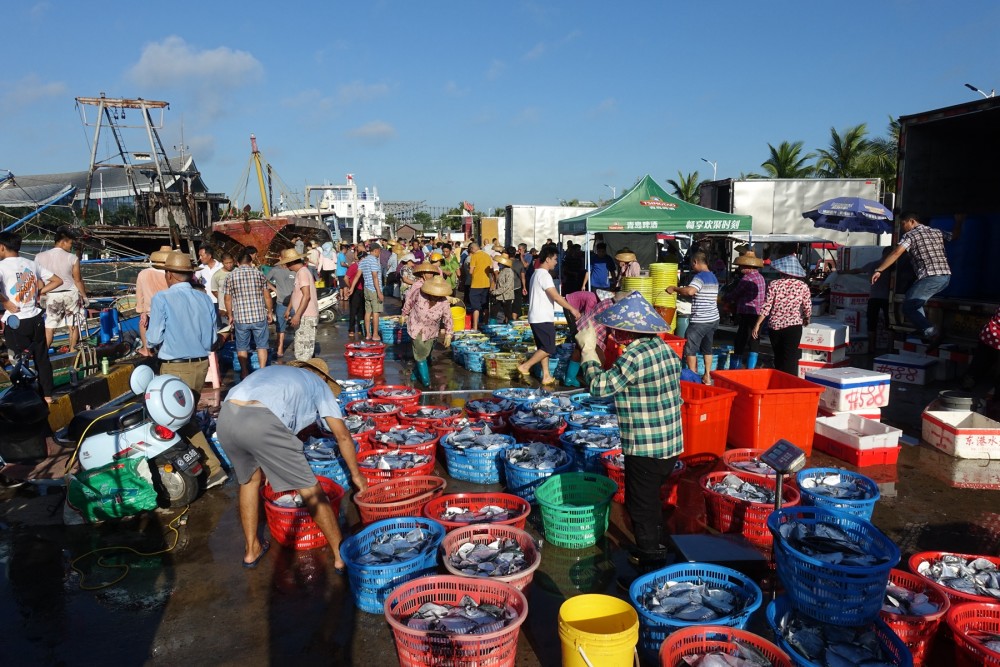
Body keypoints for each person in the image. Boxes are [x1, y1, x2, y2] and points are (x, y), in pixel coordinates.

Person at [217, 357, 367, 570]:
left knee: (249, 481)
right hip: (261, 420)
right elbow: (342, 436)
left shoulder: (275, 373)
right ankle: (340, 556)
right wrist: (356, 475)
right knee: (310, 489)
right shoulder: (318, 385)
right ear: (322, 377)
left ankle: (252, 550)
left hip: (227, 418)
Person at [575, 292, 683, 568]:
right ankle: (660, 544)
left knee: (640, 507)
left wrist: (588, 353)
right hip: (669, 444)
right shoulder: (664, 350)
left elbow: (600, 388)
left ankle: (650, 563)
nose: (611, 333)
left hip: (645, 447)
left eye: (615, 329)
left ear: (627, 332)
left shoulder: (634, 356)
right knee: (651, 499)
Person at [146, 251, 227, 488]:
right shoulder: (203, 298)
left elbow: (153, 338)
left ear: (169, 274)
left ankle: (210, 468)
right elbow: (213, 337)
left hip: (175, 367)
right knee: (182, 418)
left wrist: (150, 341)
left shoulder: (162, 298)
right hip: (201, 364)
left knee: (175, 421)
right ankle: (197, 467)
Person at [871, 212, 956, 343]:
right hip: (945, 276)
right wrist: (960, 221)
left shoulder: (910, 235)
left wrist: (879, 270)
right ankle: (924, 329)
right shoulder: (936, 231)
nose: (902, 227)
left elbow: (896, 253)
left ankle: (932, 333)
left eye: (903, 224)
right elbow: (954, 236)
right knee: (914, 301)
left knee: (908, 306)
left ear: (912, 221)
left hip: (931, 277)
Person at [0, 231, 63, 403]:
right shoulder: (31, 263)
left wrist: (5, 302)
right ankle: (47, 395)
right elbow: (58, 281)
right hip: (35, 319)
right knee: (42, 358)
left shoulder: (2, 266)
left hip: (15, 321)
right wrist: (38, 292)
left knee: (19, 361)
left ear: (2, 247)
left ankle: (25, 397)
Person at [517, 247, 581, 384]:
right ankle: (525, 366)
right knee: (549, 348)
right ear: (547, 259)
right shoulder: (544, 275)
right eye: (555, 259)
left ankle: (546, 375)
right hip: (542, 317)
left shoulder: (536, 273)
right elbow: (556, 296)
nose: (556, 262)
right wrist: (572, 309)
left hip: (536, 316)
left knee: (543, 347)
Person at [752, 255, 812, 375]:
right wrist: (806, 318)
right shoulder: (803, 286)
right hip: (793, 326)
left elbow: (766, 306)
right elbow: (807, 307)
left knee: (778, 356)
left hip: (775, 326)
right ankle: (788, 384)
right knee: (790, 357)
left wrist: (757, 324)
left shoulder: (774, 284)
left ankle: (778, 381)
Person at [666, 251, 719, 384]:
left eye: (692, 264)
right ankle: (707, 376)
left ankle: (693, 378)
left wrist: (675, 289)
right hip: (713, 318)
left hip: (700, 320)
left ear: (695, 262)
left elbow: (690, 291)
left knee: (690, 349)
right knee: (707, 347)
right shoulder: (713, 277)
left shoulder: (699, 277)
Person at [36, 227, 88, 350]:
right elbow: (77, 280)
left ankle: (44, 353)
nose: (71, 246)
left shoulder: (39, 257)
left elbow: (39, 279)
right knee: (73, 325)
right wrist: (85, 296)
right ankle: (72, 351)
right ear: (63, 242)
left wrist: (42, 296)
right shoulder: (72, 258)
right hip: (71, 293)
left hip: (51, 294)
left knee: (50, 327)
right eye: (70, 243)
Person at [225, 249, 274, 380]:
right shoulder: (259, 274)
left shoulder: (230, 276)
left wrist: (230, 315)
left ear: (237, 262)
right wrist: (270, 312)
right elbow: (267, 296)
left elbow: (227, 298)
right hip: (259, 316)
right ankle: (263, 371)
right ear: (251, 262)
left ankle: (244, 371)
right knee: (262, 345)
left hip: (241, 318)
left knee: (242, 346)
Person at [401, 276, 454, 387]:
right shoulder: (419, 293)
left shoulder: (444, 302)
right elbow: (409, 302)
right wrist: (404, 314)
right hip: (416, 326)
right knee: (420, 353)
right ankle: (426, 381)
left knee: (425, 353)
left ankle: (414, 375)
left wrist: (449, 334)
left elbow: (448, 317)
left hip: (431, 330)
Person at [723, 252, 766, 369]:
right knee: (754, 339)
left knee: (741, 340)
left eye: (741, 266)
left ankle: (735, 368)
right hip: (758, 313)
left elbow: (735, 294)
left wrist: (724, 298)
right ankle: (751, 368)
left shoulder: (747, 278)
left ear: (748, 267)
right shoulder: (760, 277)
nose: (740, 268)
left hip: (747, 313)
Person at [275, 248, 319, 362]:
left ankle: (305, 373)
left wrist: (297, 315)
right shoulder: (300, 272)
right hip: (303, 315)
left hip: (306, 315)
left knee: (303, 350)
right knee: (301, 346)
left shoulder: (303, 273)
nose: (286, 267)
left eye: (286, 264)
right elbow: (295, 293)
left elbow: (306, 295)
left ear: (291, 263)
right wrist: (289, 309)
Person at [136, 246, 172, 357]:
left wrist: (142, 312)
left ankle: (147, 350)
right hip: (167, 309)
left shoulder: (143, 273)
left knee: (143, 322)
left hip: (149, 309)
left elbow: (140, 296)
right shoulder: (169, 274)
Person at [563, 289, 600, 387]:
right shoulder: (592, 300)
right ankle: (571, 377)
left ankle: (572, 375)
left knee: (578, 339)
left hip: (570, 302)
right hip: (568, 304)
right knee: (576, 334)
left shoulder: (593, 297)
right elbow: (588, 318)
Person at [268, 258, 297, 358]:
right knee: (280, 327)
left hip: (295, 303)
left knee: (298, 325)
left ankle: (298, 345)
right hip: (281, 303)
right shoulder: (275, 270)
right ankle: (280, 348)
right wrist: (274, 289)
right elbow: (263, 280)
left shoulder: (294, 269)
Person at [358, 245, 384, 341]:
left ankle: (368, 334)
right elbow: (375, 277)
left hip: (366, 288)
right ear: (376, 250)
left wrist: (351, 288)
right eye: (379, 251)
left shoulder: (363, 260)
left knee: (368, 312)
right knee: (376, 312)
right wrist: (379, 292)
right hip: (374, 289)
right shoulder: (373, 260)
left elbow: (358, 275)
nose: (379, 253)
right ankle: (375, 334)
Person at [467, 242, 493, 331]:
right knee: (485, 305)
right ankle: (486, 324)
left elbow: (471, 271)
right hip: (486, 283)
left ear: (472, 249)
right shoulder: (487, 255)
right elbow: (490, 269)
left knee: (475, 307)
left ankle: (475, 326)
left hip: (476, 284)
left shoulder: (474, 256)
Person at [490, 254, 516, 324]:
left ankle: (511, 326)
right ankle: (492, 325)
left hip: (506, 296)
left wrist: (496, 292)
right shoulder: (502, 270)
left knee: (508, 313)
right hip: (499, 296)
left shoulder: (509, 271)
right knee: (493, 313)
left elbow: (507, 285)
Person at [345, 251, 365, 338]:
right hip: (355, 290)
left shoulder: (365, 267)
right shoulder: (354, 266)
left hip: (363, 290)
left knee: (361, 311)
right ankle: (351, 329)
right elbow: (346, 278)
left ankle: (360, 328)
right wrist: (350, 287)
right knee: (353, 311)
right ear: (362, 258)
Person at [212, 253, 235, 321]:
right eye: (226, 263)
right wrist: (223, 299)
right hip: (224, 310)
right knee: (226, 329)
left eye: (230, 262)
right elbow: (214, 290)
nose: (229, 265)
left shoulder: (237, 271)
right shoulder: (217, 275)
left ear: (233, 261)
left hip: (238, 308)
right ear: (222, 263)